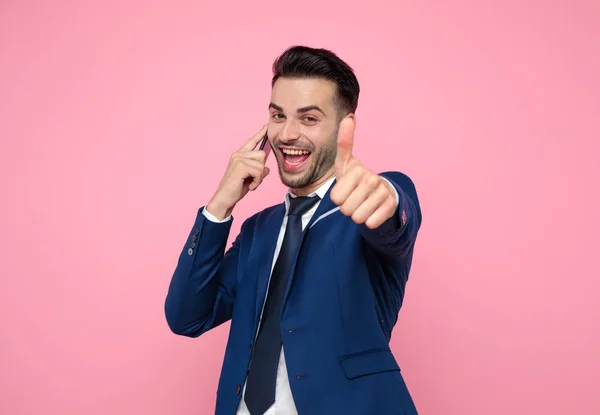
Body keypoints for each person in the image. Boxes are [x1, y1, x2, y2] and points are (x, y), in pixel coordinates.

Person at [164, 45, 422, 415]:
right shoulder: (258, 231)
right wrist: (219, 205)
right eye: (278, 115)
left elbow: (396, 218)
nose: (287, 133)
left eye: (309, 119)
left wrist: (387, 198)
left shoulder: (369, 204)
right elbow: (187, 317)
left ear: (344, 125)